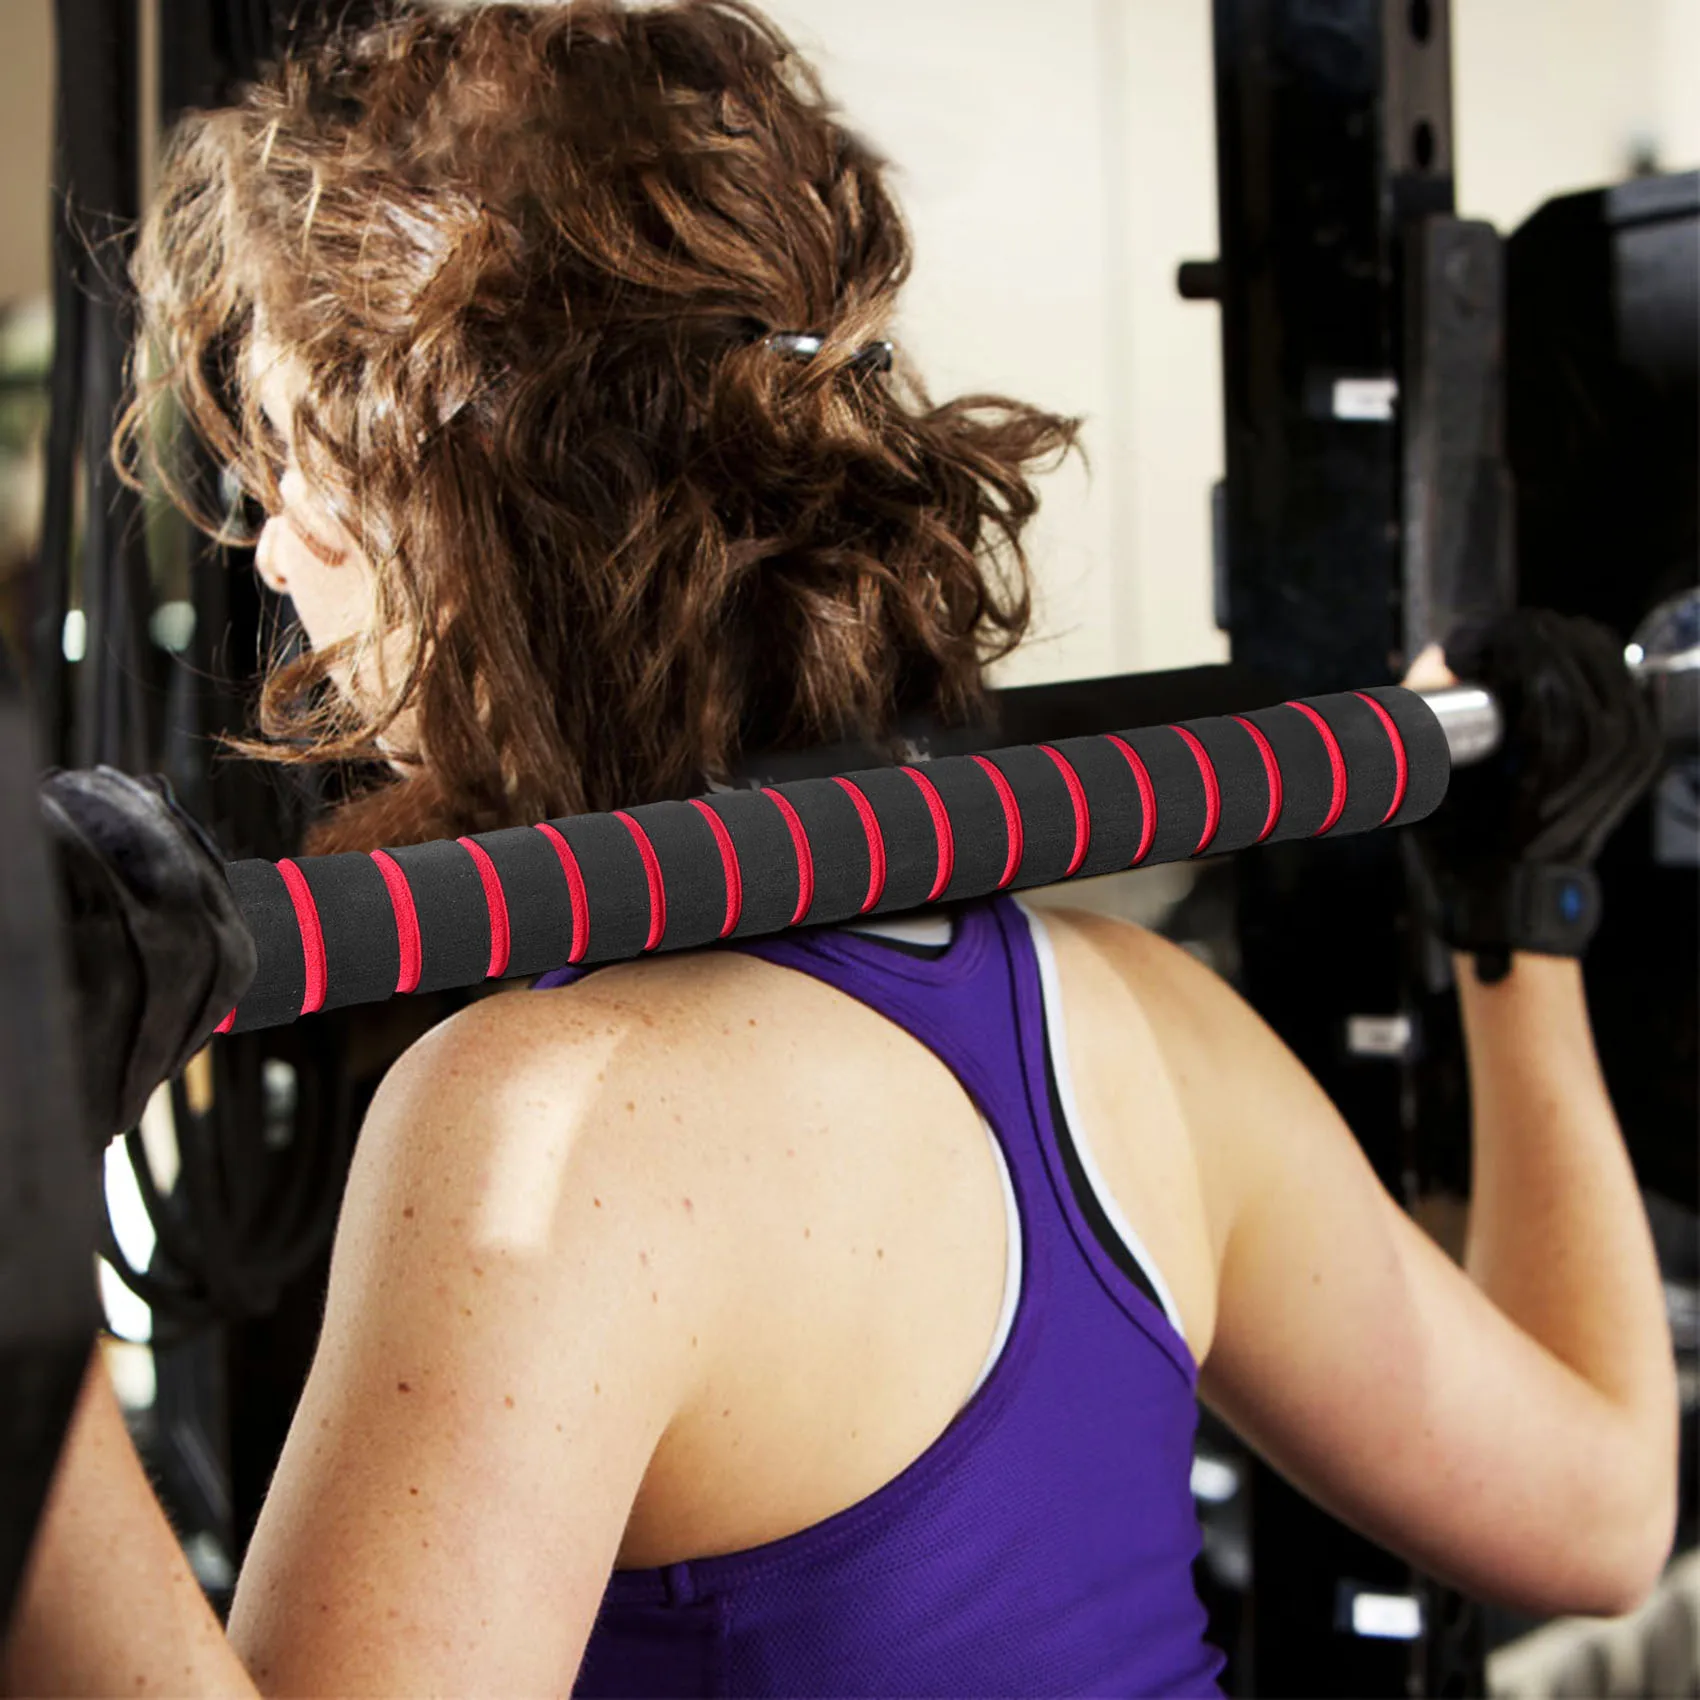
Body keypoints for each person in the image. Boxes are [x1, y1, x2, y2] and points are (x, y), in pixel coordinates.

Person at [2, 3, 1679, 1695]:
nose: (278, 557)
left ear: (465, 499)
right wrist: (1520, 927)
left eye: (297, 462)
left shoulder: (547, 1124)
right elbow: (1606, 1507)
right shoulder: (1148, 1031)